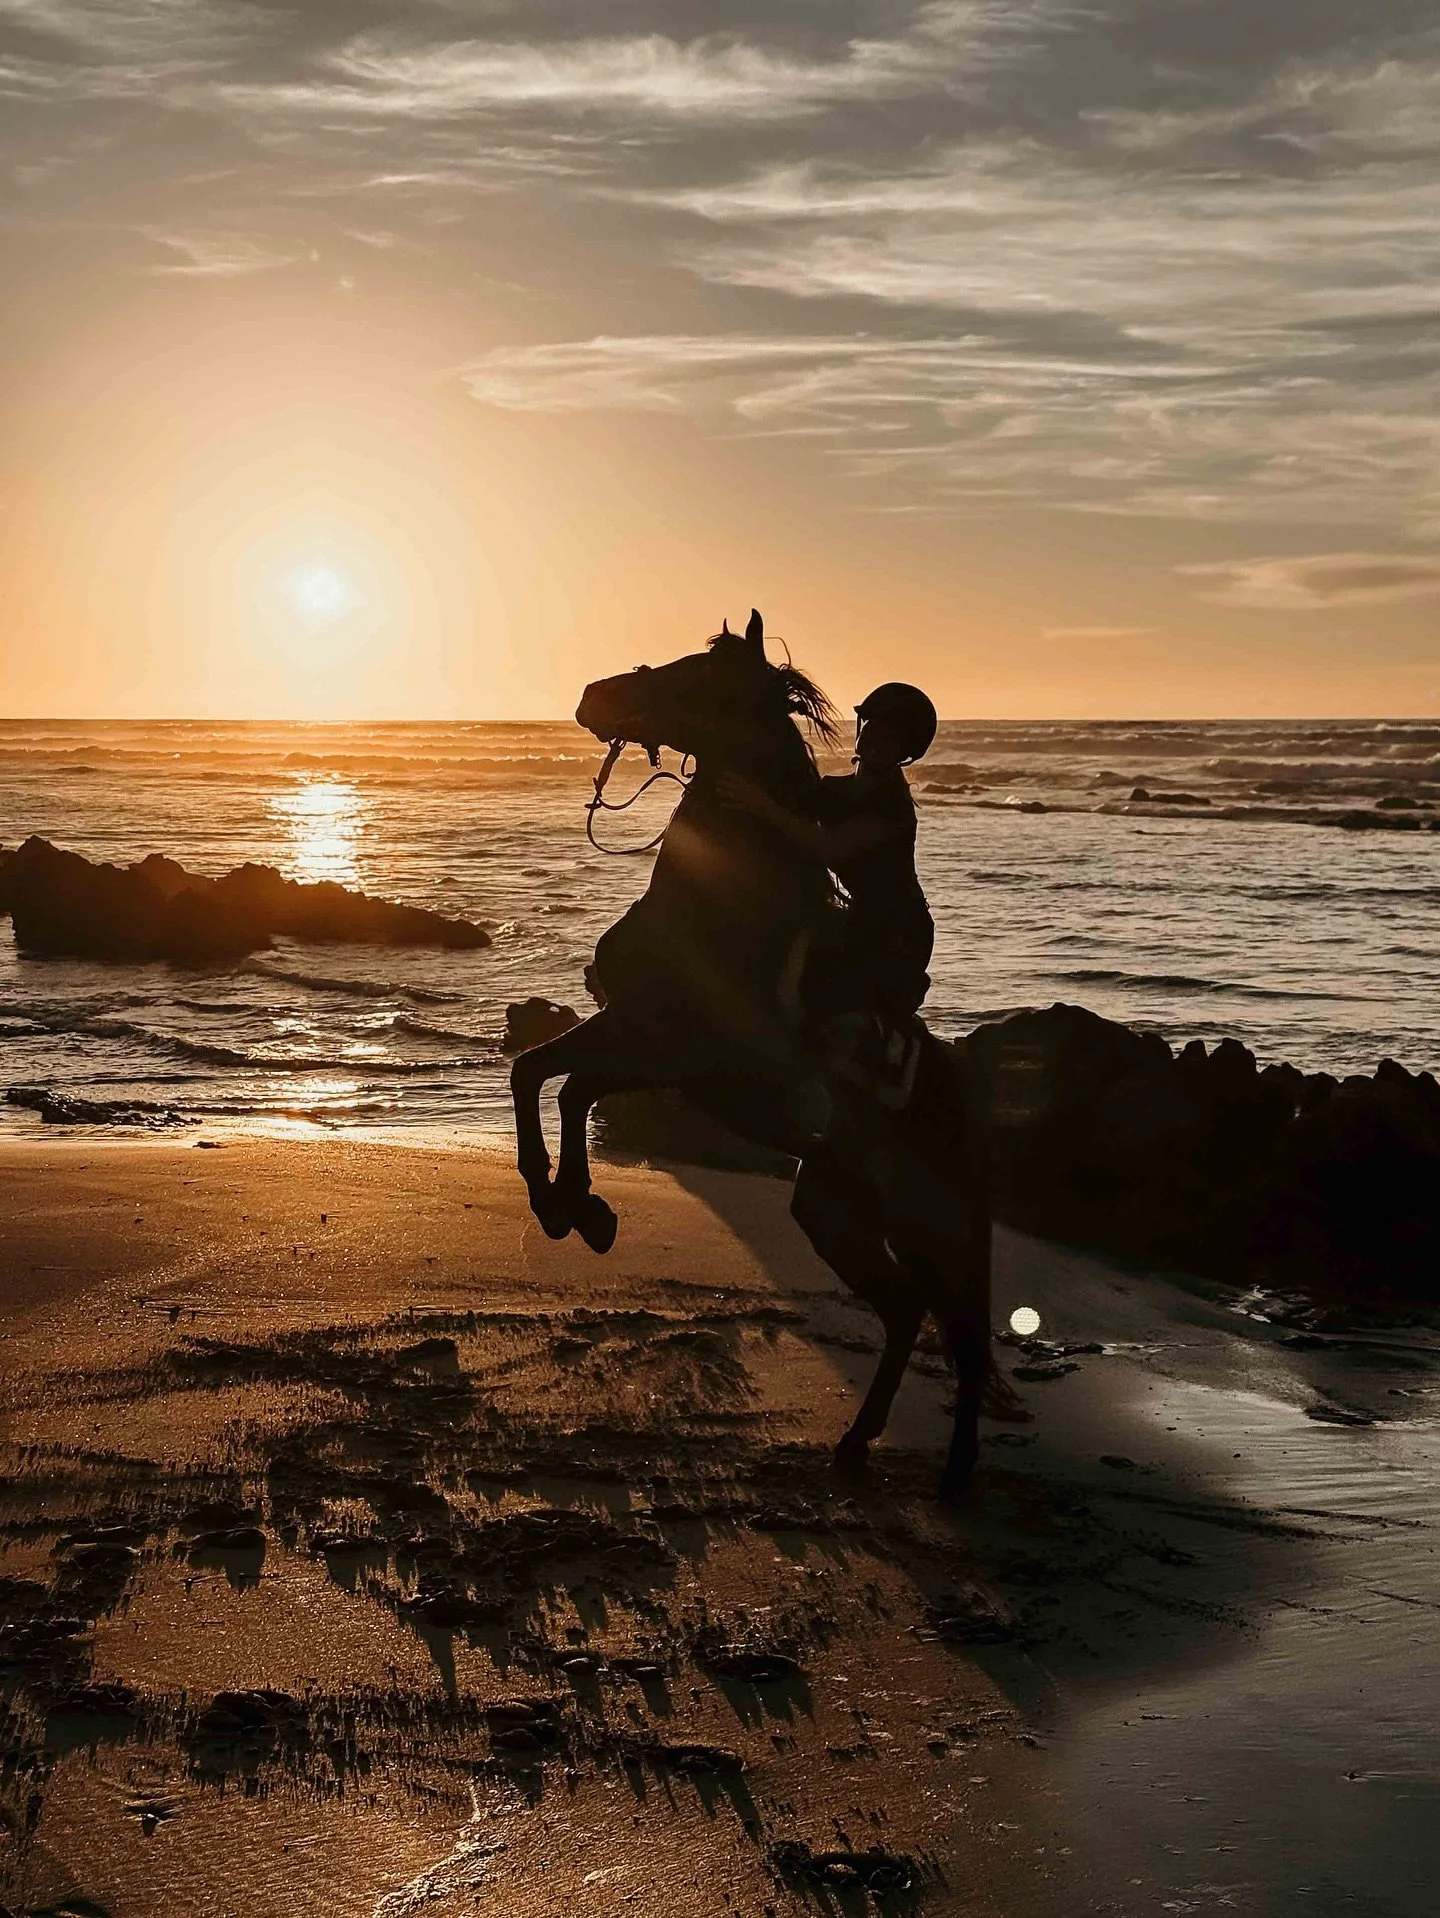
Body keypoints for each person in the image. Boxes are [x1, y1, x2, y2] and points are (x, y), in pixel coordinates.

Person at [717, 681, 939, 1054]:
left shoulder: (893, 807)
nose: (872, 740)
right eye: (870, 730)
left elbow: (829, 848)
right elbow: (791, 808)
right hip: (859, 919)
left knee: (825, 1007)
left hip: (897, 932)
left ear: (905, 751)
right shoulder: (838, 790)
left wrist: (760, 805)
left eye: (887, 737)